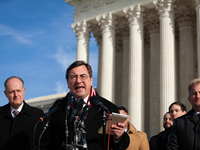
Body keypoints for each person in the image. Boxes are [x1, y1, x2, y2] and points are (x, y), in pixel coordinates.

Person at [42, 61, 130, 150]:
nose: (78, 81)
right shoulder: (58, 108)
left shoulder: (108, 108)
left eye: (83, 76)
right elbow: (45, 142)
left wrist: (118, 137)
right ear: (67, 82)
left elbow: (120, 145)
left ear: (91, 80)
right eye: (73, 77)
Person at [0, 76, 44, 150]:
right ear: (5, 93)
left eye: (18, 91)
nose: (16, 95)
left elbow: (44, 143)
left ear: (24, 90)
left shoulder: (37, 115)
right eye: (12, 92)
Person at [168, 78, 200, 150]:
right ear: (189, 99)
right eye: (194, 93)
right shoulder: (179, 123)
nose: (198, 96)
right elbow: (173, 148)